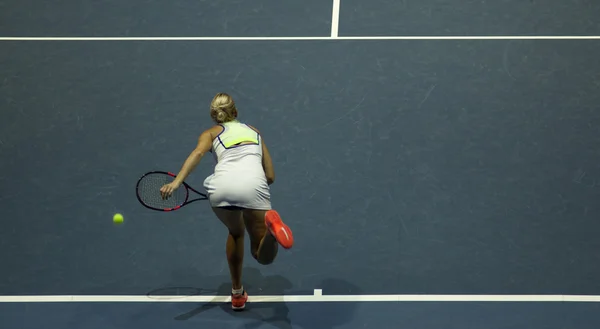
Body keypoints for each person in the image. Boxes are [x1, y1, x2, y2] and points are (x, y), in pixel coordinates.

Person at [159, 92, 294, 310]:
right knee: (263, 257)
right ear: (236, 112)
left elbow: (197, 154)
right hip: (254, 186)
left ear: (214, 116)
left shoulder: (211, 133)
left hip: (221, 188)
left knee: (236, 232)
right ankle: (271, 229)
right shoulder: (255, 132)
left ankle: (237, 294)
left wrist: (176, 182)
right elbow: (270, 176)